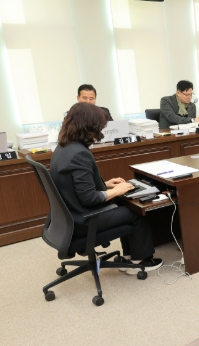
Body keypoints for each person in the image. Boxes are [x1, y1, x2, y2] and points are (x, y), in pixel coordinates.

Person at [50, 102, 162, 272]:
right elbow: (89, 198)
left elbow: (73, 184)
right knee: (136, 211)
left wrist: (106, 185)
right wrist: (115, 191)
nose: (100, 131)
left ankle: (128, 257)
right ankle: (140, 262)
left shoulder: (63, 147)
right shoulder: (79, 153)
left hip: (68, 217)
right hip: (84, 219)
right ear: (88, 125)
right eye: (99, 126)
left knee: (122, 202)